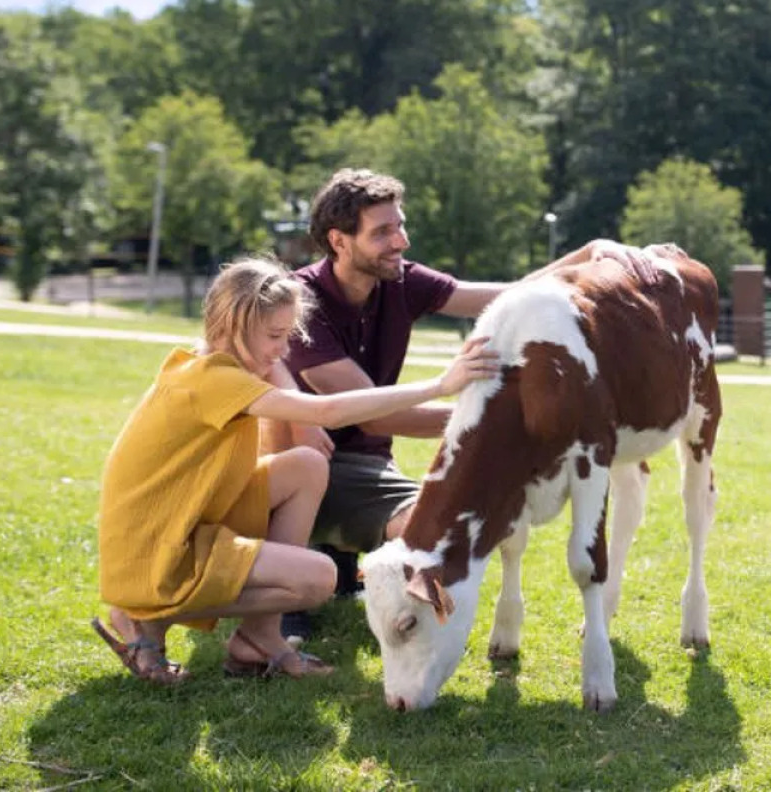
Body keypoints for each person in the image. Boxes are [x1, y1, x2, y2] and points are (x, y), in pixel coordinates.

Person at [276, 168, 654, 641]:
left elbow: (506, 297)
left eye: (400, 225)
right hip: (309, 461)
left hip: (371, 464)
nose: (401, 241)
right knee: (370, 498)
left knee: (444, 522)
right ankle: (296, 577)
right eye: (383, 232)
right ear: (339, 240)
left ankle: (338, 553)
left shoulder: (401, 281)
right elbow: (372, 412)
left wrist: (585, 256)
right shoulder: (302, 301)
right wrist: (482, 421)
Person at [90, 255, 498, 684]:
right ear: (232, 326)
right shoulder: (216, 381)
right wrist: (440, 385)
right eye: (275, 336)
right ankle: (144, 617)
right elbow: (330, 410)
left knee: (306, 465)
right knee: (319, 579)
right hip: (158, 549)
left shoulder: (207, 362)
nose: (284, 350)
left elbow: (290, 387)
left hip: (182, 522)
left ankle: (259, 638)